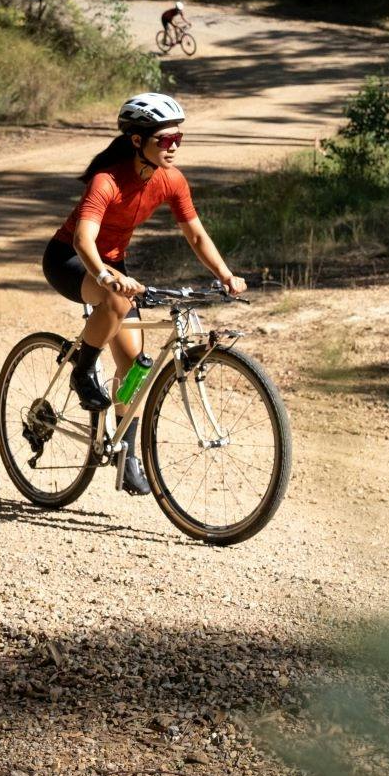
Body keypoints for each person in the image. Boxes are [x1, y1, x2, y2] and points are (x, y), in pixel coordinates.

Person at [40, 92, 246, 494]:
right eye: (165, 140)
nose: (173, 147)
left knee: (136, 365)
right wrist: (103, 275)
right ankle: (82, 371)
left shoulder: (171, 180)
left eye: (178, 139)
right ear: (138, 140)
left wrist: (226, 274)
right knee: (116, 299)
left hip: (114, 267)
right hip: (71, 259)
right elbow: (84, 238)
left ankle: (126, 454)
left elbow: (195, 233)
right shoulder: (108, 180)